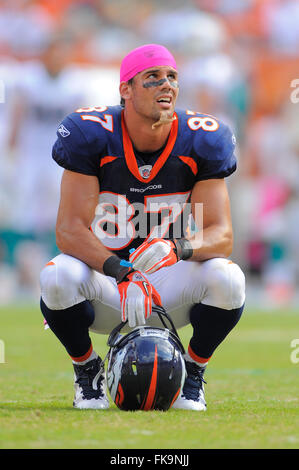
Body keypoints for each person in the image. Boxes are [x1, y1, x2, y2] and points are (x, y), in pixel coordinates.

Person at [40, 44, 245, 411]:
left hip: (166, 283)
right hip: (107, 282)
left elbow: (222, 234)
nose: (166, 85)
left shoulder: (203, 138)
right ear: (126, 89)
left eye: (172, 78)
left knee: (229, 279)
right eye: (152, 78)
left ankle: (193, 374)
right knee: (56, 277)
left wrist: (178, 248)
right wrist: (122, 272)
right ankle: (87, 370)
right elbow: (69, 230)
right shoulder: (92, 134)